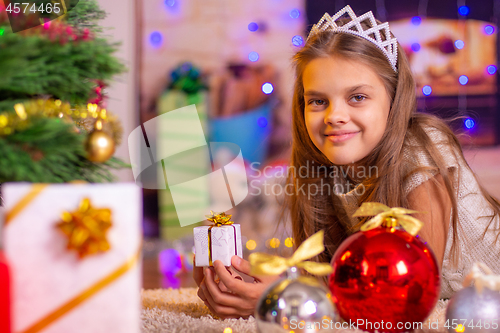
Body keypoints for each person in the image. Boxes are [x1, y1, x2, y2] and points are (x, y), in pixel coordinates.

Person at [193, 5, 500, 318]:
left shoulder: (423, 151)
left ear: (394, 101)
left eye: (357, 97)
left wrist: (286, 297)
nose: (334, 116)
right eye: (318, 101)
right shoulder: (326, 168)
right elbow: (337, 281)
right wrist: (234, 280)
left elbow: (408, 294)